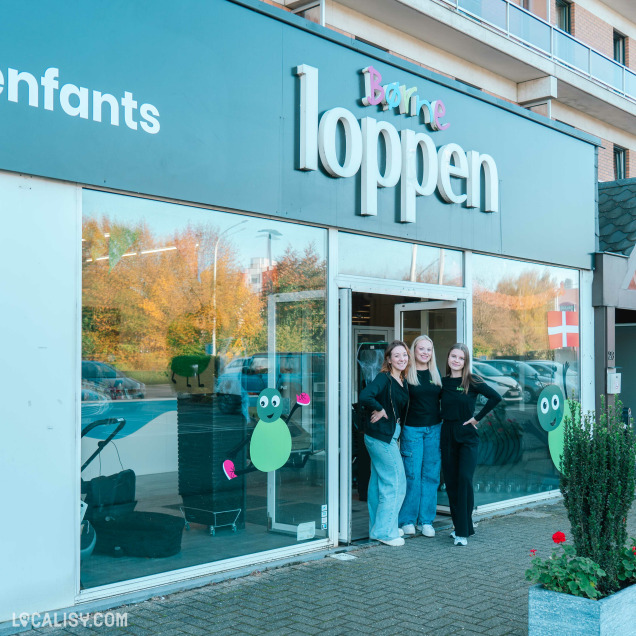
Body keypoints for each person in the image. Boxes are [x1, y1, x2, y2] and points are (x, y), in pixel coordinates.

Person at [440, 343, 501, 546]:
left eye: (461, 358)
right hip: (447, 434)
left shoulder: (471, 380)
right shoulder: (443, 382)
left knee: (464, 479)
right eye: (453, 356)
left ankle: (462, 532)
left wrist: (477, 418)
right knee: (451, 482)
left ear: (465, 361)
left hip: (467, 435)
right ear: (448, 358)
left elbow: (495, 397)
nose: (456, 360)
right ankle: (463, 526)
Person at [359, 340, 410, 546]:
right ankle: (385, 532)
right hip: (381, 437)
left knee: (378, 484)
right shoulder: (384, 378)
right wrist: (379, 408)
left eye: (404, 355)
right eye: (396, 355)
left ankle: (380, 527)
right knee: (397, 482)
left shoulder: (402, 380)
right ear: (388, 359)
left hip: (387, 436)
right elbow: (365, 395)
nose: (401, 359)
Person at [398, 335, 442, 538]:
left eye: (429, 350)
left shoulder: (435, 373)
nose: (425, 353)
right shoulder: (406, 373)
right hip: (412, 430)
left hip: (434, 429)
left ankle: (426, 521)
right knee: (412, 476)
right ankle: (407, 519)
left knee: (431, 476)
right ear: (414, 351)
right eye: (421, 349)